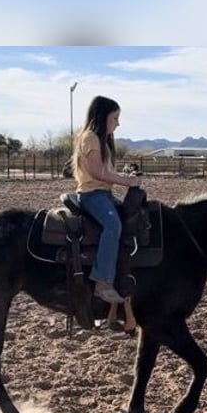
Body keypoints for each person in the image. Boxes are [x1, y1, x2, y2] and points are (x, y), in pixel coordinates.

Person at [72, 95, 141, 304]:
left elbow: (105, 171)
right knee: (112, 224)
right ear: (103, 117)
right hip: (92, 194)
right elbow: (97, 172)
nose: (118, 123)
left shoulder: (101, 140)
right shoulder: (91, 137)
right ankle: (102, 282)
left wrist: (125, 175)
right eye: (115, 118)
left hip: (104, 194)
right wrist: (126, 181)